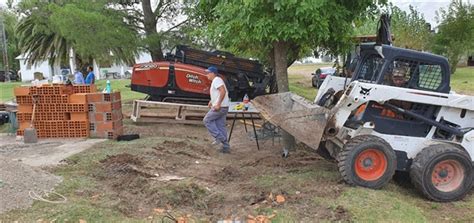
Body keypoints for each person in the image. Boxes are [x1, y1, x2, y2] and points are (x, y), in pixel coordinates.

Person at [203, 66, 231, 153]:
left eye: (208, 73)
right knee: (220, 126)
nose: (207, 75)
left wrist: (218, 104)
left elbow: (223, 91)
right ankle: (226, 147)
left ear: (213, 73)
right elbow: (219, 92)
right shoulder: (216, 80)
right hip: (224, 106)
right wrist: (211, 101)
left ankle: (219, 138)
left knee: (207, 120)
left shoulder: (216, 80)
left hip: (220, 107)